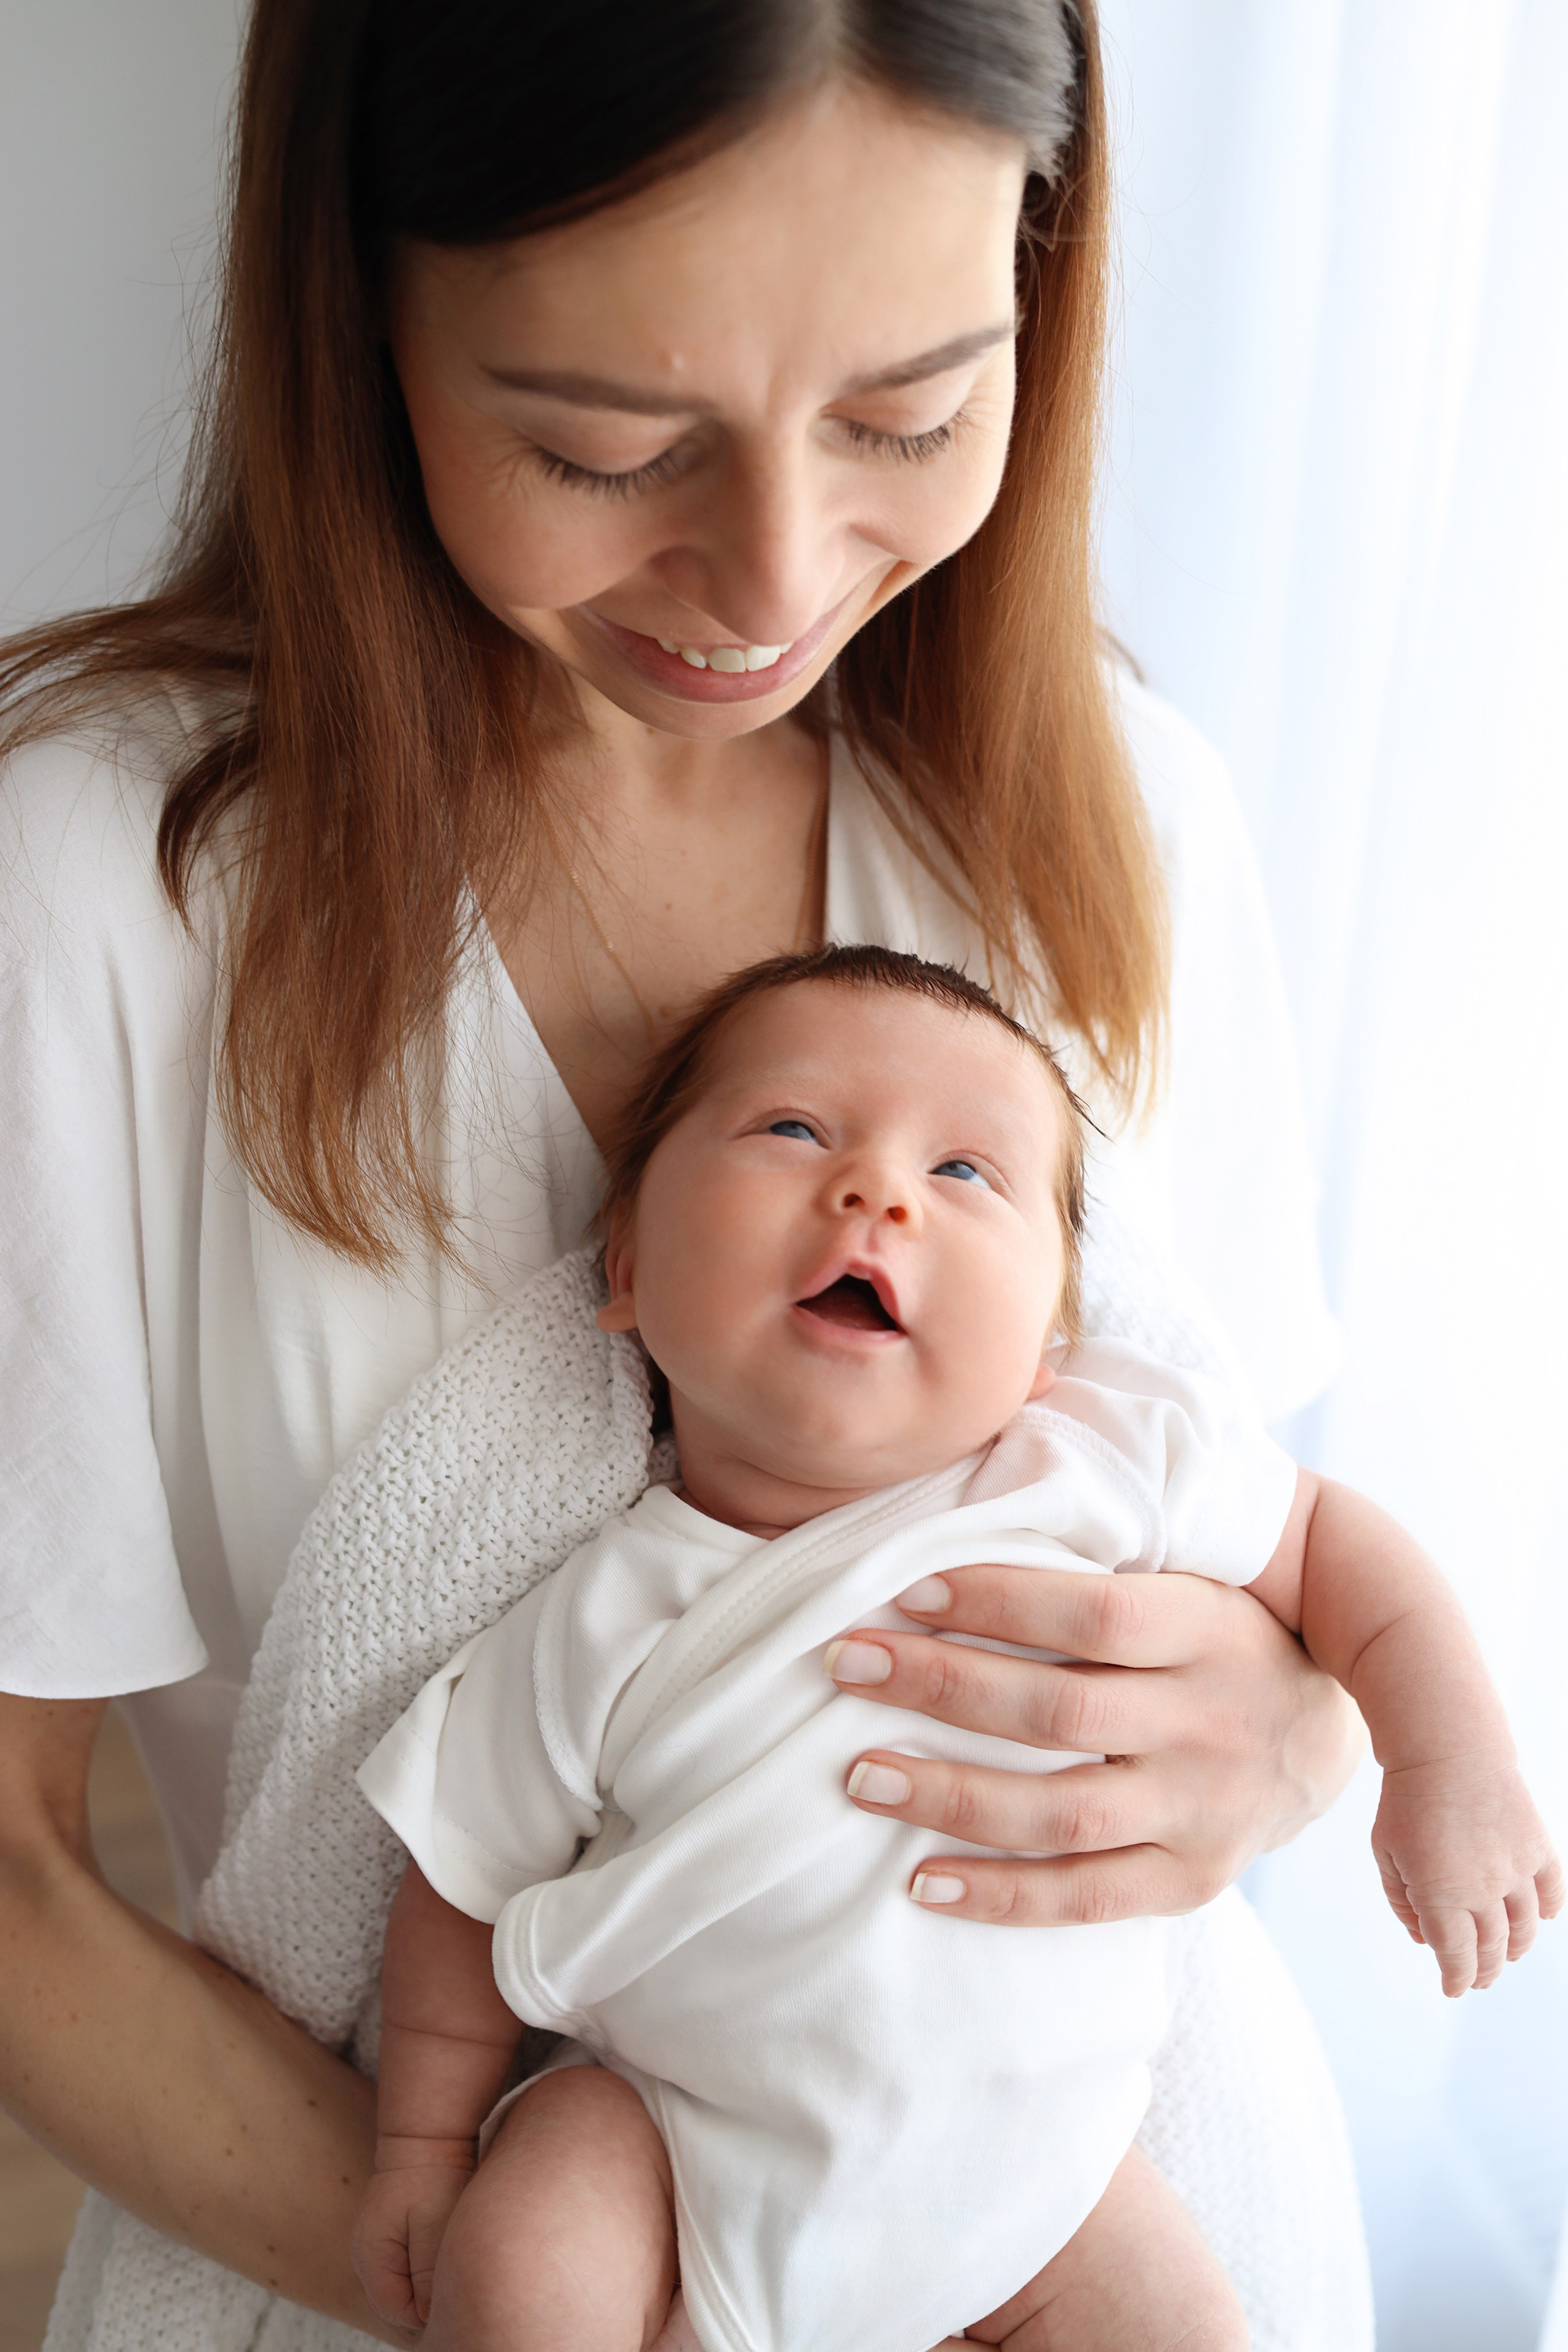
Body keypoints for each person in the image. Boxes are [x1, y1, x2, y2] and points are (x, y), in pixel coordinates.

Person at [0, 4, 1381, 2342]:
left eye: (908, 417)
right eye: (605, 443)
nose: (769, 575)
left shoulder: (1117, 820)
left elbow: (1268, 1540)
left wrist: (1295, 1744)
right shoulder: (99, 890)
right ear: (357, 303)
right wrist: (565, 2276)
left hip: (1100, 2208)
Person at [348, 949, 1558, 2352]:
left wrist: (1446, 1761)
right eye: (791, 1126)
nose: (877, 1191)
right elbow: (459, 1879)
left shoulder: (1090, 1462)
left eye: (966, 1171)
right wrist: (421, 2148)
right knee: (523, 2277)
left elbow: (1339, 1547)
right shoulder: (597, 1613)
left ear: (1047, 1341)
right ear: (624, 1265)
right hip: (669, 2131)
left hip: (1039, 2180)